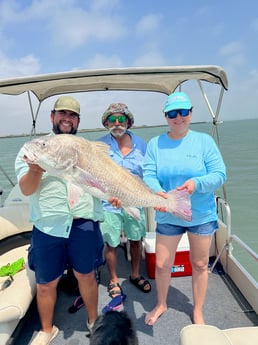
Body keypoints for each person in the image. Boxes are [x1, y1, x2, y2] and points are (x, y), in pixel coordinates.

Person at [15, 96, 121, 345]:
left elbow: (105, 184)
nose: (67, 118)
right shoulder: (34, 148)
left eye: (72, 115)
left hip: (84, 223)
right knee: (46, 282)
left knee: (87, 276)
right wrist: (34, 170)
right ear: (52, 116)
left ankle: (94, 322)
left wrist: (116, 196)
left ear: (78, 121)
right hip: (48, 226)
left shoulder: (87, 148)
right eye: (62, 113)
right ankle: (46, 329)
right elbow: (27, 190)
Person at [142, 91, 226, 326]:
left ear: (190, 113)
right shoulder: (155, 144)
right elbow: (148, 174)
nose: (178, 117)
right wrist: (157, 190)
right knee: (161, 264)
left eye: (183, 112)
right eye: (172, 113)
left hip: (200, 215)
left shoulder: (204, 141)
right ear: (166, 116)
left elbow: (219, 175)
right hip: (168, 213)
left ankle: (197, 310)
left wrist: (195, 184)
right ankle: (161, 303)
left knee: (199, 264)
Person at [98, 103, 151, 309]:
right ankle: (113, 279)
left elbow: (149, 174)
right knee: (110, 242)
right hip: (108, 202)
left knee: (136, 239)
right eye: (112, 120)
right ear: (106, 123)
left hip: (135, 201)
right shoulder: (99, 146)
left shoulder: (142, 145)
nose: (117, 123)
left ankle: (136, 274)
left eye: (121, 119)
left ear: (129, 122)